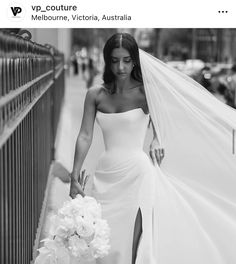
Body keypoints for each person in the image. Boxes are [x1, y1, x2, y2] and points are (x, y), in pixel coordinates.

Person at [69, 33, 236, 264]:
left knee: (134, 242)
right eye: (115, 60)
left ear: (135, 60)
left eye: (127, 60)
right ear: (108, 60)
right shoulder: (95, 95)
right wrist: (74, 174)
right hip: (104, 174)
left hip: (138, 174)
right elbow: (85, 135)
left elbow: (161, 123)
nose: (121, 66)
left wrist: (156, 139)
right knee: (103, 243)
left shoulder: (145, 92)